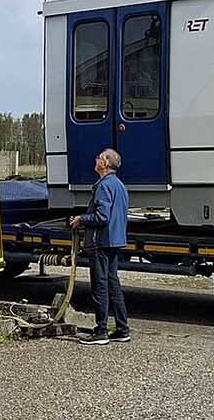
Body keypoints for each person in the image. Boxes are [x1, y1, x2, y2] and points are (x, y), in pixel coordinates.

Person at [71, 148, 131, 345]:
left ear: (105, 163)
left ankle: (101, 331)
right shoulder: (119, 185)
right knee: (113, 284)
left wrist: (81, 219)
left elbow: (102, 216)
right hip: (115, 240)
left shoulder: (104, 186)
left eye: (99, 157)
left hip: (101, 241)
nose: (96, 159)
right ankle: (122, 329)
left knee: (100, 285)